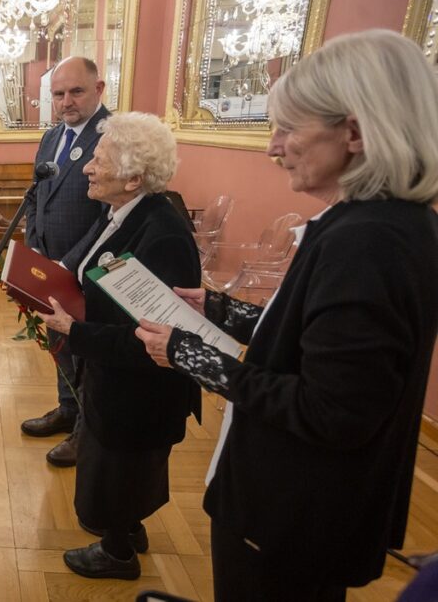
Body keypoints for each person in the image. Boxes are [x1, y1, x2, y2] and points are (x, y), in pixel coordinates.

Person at [134, 30, 438, 600]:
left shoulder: (369, 241)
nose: (274, 148)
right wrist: (222, 309)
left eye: (288, 129)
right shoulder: (389, 223)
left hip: (292, 513)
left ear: (354, 131)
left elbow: (332, 412)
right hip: (306, 509)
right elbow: (316, 341)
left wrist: (190, 355)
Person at [39, 112, 200, 581]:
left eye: (99, 158)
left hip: (141, 388)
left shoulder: (163, 233)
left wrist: (75, 329)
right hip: (116, 379)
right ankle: (128, 531)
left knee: (122, 466)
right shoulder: (126, 213)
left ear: (133, 178)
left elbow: (150, 336)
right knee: (123, 466)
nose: (87, 166)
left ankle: (117, 553)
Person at [20, 56, 111, 468]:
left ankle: (85, 431)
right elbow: (38, 195)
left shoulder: (112, 137)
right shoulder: (51, 136)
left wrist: (69, 263)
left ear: (99, 89)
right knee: (58, 339)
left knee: (87, 353)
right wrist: (34, 247)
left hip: (89, 268)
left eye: (76, 91)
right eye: (59, 94)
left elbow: (111, 214)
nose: (66, 101)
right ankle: (66, 408)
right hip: (49, 261)